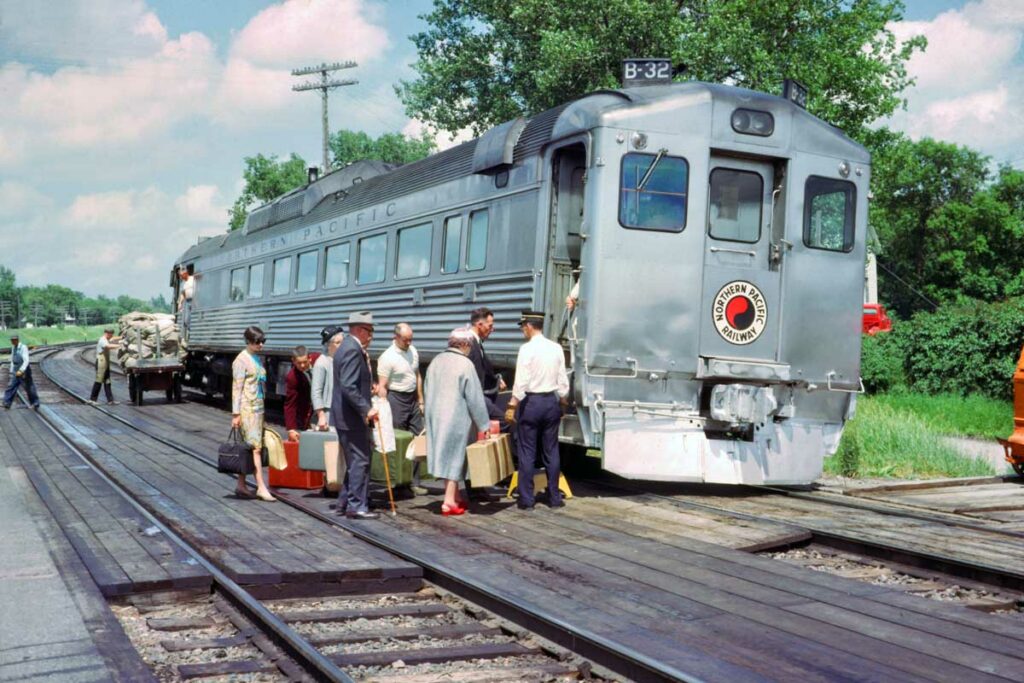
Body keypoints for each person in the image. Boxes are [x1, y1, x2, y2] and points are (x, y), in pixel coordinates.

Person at [505, 311, 569, 510]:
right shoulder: (556, 348)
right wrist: (563, 402)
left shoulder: (526, 349)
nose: (523, 330)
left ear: (529, 326)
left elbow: (521, 380)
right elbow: (562, 379)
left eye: (523, 326)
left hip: (531, 403)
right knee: (551, 450)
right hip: (551, 401)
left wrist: (512, 404)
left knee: (527, 451)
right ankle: (554, 497)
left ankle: (526, 500)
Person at [424, 327, 490, 516]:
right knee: (454, 457)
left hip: (436, 416)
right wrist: (483, 424)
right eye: (469, 345)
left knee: (446, 456)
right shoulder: (465, 364)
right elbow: (475, 398)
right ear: (464, 345)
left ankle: (454, 496)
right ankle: (449, 502)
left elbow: (428, 389)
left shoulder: (436, 361)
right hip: (456, 417)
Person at [331, 311, 379, 519]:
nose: (371, 336)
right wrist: (366, 408)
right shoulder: (352, 349)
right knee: (361, 460)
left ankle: (344, 502)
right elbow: (349, 386)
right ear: (360, 330)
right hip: (350, 417)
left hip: (345, 416)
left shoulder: (345, 347)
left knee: (355, 461)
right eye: (370, 331)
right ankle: (357, 505)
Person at [377, 322, 427, 495]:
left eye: (411, 339)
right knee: (398, 440)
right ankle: (398, 483)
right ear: (395, 337)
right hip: (396, 398)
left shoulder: (413, 351)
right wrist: (382, 407)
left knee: (418, 437)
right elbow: (382, 385)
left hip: (411, 398)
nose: (409, 343)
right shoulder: (387, 357)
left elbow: (417, 375)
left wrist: (420, 400)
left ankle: (414, 481)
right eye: (406, 340)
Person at [230, 326, 275, 502]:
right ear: (248, 341)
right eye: (258, 342)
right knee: (255, 448)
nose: (261, 345)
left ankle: (241, 485)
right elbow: (236, 387)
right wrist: (235, 414)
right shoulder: (241, 361)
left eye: (263, 341)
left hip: (258, 408)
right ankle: (261, 487)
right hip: (247, 409)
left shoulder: (256, 358)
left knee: (249, 448)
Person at [467, 307, 505, 418]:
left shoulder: (477, 343)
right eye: (490, 326)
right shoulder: (469, 344)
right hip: (474, 399)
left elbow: (485, 369)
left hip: (478, 397)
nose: (492, 329)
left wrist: (497, 379)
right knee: (505, 421)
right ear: (479, 325)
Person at [284, 345, 320, 442]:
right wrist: (291, 428)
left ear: (310, 357)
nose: (302, 366)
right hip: (309, 411)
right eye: (299, 363)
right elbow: (290, 404)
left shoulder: (319, 360)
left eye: (305, 362)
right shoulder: (292, 377)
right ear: (293, 361)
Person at [312, 326, 343, 430]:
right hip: (328, 411)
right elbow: (316, 391)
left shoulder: (339, 360)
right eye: (338, 343)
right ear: (328, 345)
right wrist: (321, 415)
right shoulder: (321, 363)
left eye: (343, 342)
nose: (342, 345)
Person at [3, 334, 40, 410]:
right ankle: (7, 402)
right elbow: (13, 359)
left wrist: (21, 370)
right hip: (16, 369)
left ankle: (35, 403)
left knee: (29, 387)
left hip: (24, 370)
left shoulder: (23, 348)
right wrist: (11, 370)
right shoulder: (14, 347)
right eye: (12, 340)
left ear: (17, 340)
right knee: (11, 386)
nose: (13, 341)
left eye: (14, 340)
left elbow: (26, 360)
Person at [89, 328, 121, 405]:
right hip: (101, 362)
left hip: (105, 363)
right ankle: (92, 399)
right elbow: (108, 346)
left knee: (107, 381)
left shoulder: (106, 339)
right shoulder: (102, 340)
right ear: (107, 333)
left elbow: (113, 338)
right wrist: (120, 346)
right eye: (111, 334)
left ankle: (110, 400)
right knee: (98, 380)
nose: (111, 336)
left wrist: (122, 337)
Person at [177, 266, 194, 341]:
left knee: (192, 319)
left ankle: (192, 336)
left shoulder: (193, 279)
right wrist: (180, 303)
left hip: (193, 300)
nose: (180, 277)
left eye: (181, 275)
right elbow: (183, 294)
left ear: (185, 273)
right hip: (187, 301)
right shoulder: (184, 283)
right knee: (186, 320)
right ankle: (189, 335)